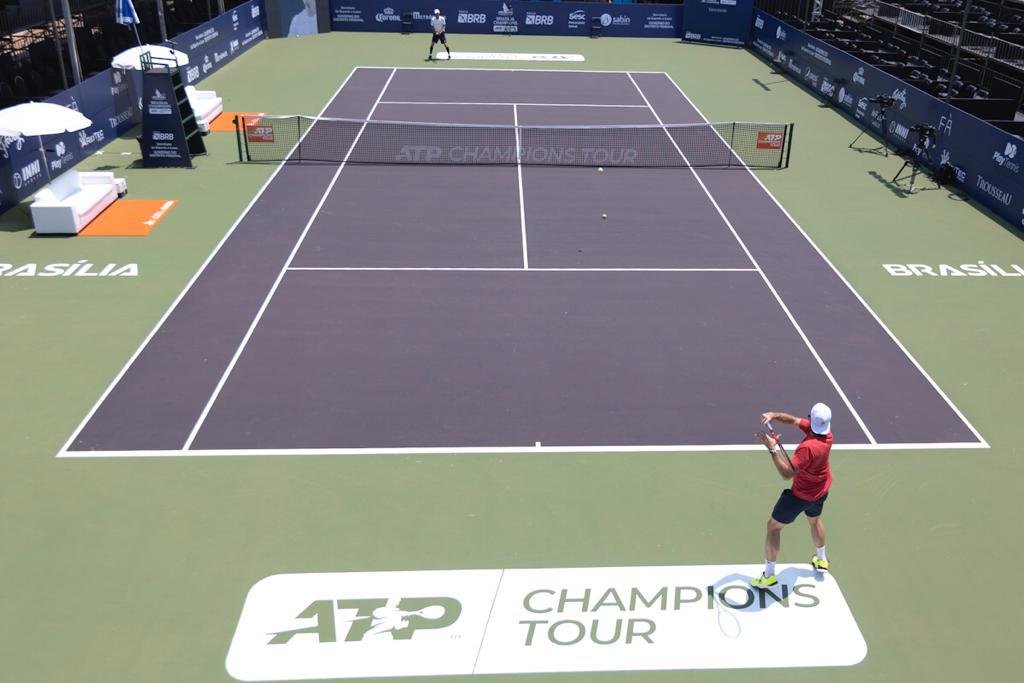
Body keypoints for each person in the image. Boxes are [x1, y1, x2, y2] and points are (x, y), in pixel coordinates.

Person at [751, 403, 833, 589]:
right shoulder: (827, 436)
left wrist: (772, 448)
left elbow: (787, 473)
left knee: (773, 527)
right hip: (821, 490)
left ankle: (769, 576)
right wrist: (773, 414)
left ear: (812, 420)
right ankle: (821, 560)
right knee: (814, 520)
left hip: (800, 496)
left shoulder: (807, 448)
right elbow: (794, 421)